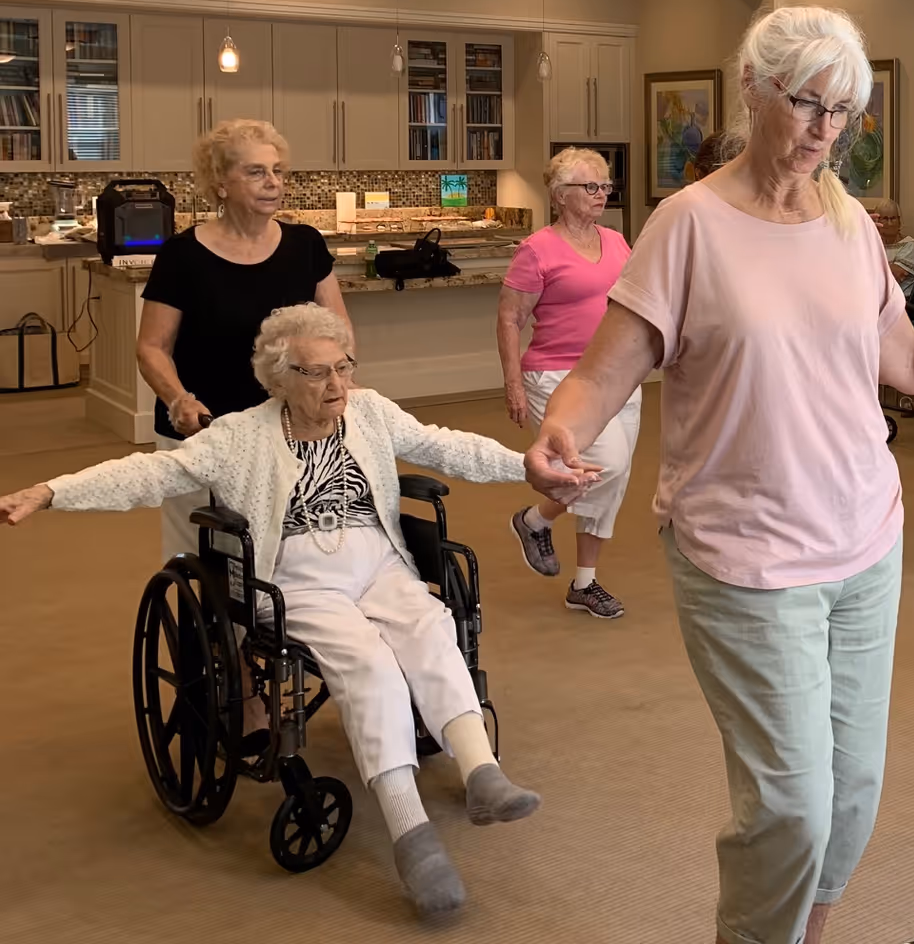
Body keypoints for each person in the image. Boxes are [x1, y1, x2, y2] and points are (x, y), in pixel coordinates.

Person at [522, 6, 914, 944]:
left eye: (843, 112)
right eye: (807, 103)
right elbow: (602, 375)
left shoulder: (848, 225)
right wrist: (559, 433)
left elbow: (906, 364)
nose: (824, 131)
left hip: (864, 539)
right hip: (744, 552)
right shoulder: (688, 225)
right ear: (753, 89)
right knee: (792, 806)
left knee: (853, 797)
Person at [0, 304, 589, 918]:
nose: (337, 385)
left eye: (343, 367)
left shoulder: (369, 410)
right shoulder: (240, 435)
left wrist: (528, 469)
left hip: (380, 561)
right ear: (279, 379)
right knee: (369, 665)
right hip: (300, 579)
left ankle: (481, 773)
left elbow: (445, 446)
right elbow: (151, 474)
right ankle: (412, 836)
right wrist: (51, 491)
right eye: (316, 373)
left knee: (430, 626)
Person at [136, 118, 350, 560]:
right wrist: (179, 400)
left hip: (287, 425)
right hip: (205, 429)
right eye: (256, 172)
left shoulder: (305, 245)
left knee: (285, 553)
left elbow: (338, 334)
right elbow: (152, 347)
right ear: (220, 184)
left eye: (278, 171)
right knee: (198, 554)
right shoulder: (182, 255)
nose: (273, 182)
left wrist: (338, 384)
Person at [499, 147, 640, 619]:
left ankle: (584, 582)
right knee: (607, 463)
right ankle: (536, 519)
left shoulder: (616, 242)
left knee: (612, 478)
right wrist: (513, 384)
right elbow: (509, 319)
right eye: (590, 186)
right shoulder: (537, 249)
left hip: (615, 372)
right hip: (556, 374)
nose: (602, 194)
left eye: (605, 186)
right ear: (560, 195)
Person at [864, 197, 914, 285]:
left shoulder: (909, 244)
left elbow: (893, 276)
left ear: (899, 221)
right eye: (885, 219)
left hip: (897, 293)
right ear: (877, 221)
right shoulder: (870, 243)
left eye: (893, 218)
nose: (890, 223)